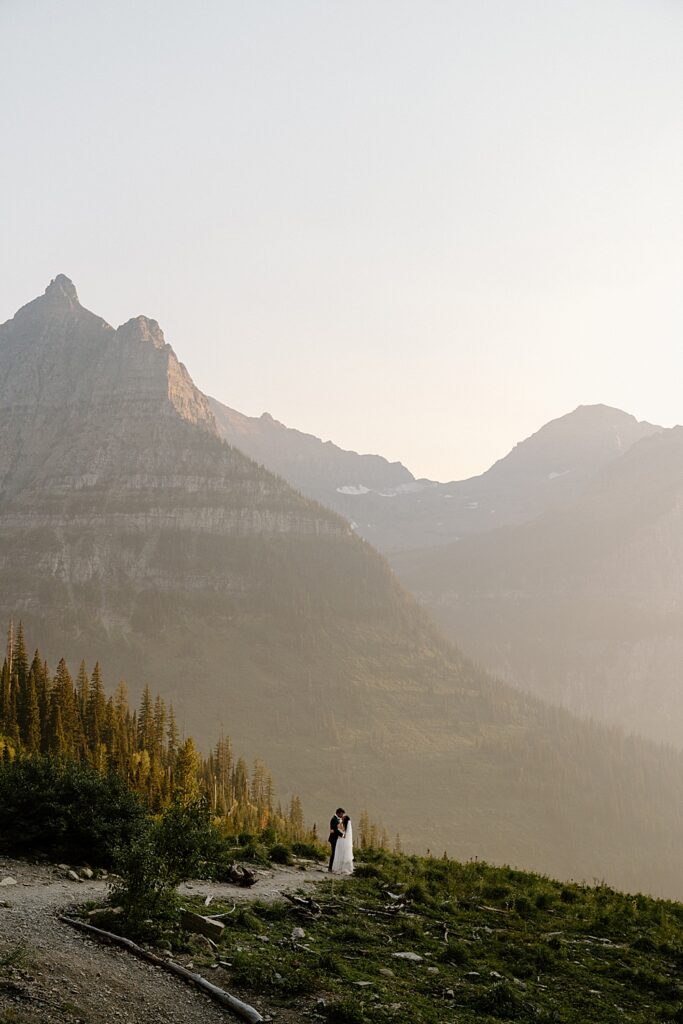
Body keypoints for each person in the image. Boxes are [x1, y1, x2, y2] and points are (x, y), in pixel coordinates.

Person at [328, 807, 345, 872]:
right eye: (341, 814)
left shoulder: (336, 819)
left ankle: (332, 867)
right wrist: (342, 835)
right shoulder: (334, 819)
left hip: (335, 839)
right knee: (334, 853)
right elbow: (335, 830)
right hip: (333, 839)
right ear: (338, 813)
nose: (342, 816)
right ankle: (330, 867)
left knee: (335, 853)